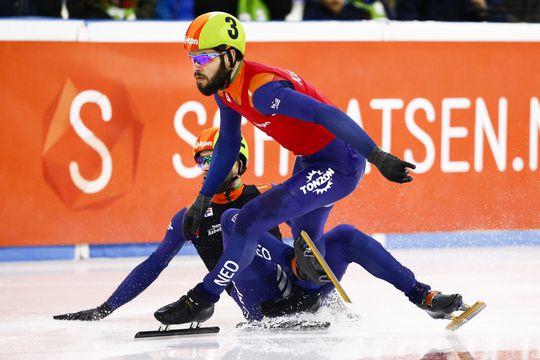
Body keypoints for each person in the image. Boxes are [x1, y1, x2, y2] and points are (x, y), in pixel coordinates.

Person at [155, 11, 464, 326]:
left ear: (231, 55)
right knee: (313, 245)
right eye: (192, 58)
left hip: (340, 163)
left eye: (204, 58)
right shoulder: (225, 91)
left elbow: (326, 115)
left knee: (248, 220)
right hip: (309, 161)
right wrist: (203, 198)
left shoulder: (262, 92)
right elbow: (229, 144)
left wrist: (376, 155)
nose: (196, 66)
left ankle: (204, 297)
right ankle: (407, 297)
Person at [52, 127, 320, 322]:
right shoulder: (189, 218)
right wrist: (106, 308)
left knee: (244, 220)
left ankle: (310, 292)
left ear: (238, 163)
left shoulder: (264, 195)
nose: (206, 168)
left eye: (214, 159)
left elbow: (305, 231)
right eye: (202, 161)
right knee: (235, 223)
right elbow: (154, 263)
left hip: (290, 287)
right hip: (255, 304)